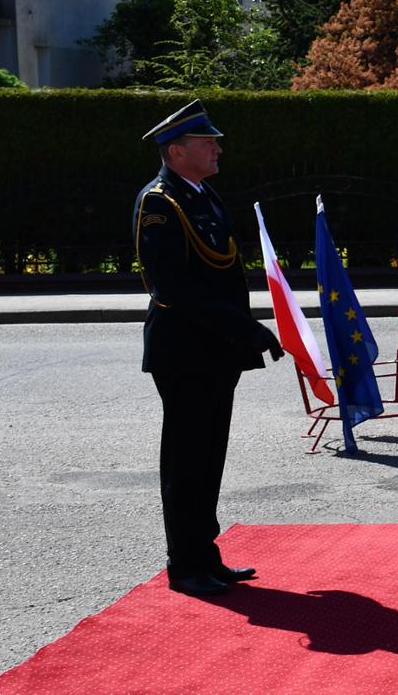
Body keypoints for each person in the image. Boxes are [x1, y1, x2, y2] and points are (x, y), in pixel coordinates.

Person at [133, 99, 284, 597]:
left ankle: (206, 554)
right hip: (183, 351)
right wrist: (245, 329)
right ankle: (185, 564)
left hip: (214, 350)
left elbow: (222, 277)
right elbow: (174, 287)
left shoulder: (204, 195)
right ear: (176, 152)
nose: (216, 148)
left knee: (209, 455)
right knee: (185, 458)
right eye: (206, 143)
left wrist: (241, 332)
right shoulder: (160, 204)